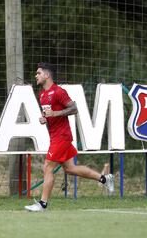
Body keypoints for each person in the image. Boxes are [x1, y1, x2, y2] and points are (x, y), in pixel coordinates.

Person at [24, 62, 114, 212]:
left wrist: (55, 114)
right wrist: (44, 118)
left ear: (47, 75)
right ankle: (105, 178)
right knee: (70, 169)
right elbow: (49, 114)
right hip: (55, 137)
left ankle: (42, 204)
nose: (36, 75)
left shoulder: (59, 91)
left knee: (47, 167)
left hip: (62, 136)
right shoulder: (42, 95)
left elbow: (74, 108)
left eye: (39, 73)